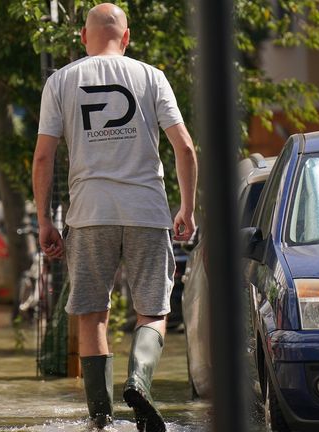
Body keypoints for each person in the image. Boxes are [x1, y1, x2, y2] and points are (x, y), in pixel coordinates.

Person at [32, 3, 197, 431]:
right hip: (146, 209)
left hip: (89, 214)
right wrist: (187, 208)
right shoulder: (150, 76)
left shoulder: (61, 81)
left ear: (84, 39)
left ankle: (101, 419)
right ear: (126, 38)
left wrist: (45, 220)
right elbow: (185, 148)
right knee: (154, 310)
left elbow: (43, 156)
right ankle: (139, 382)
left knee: (92, 313)